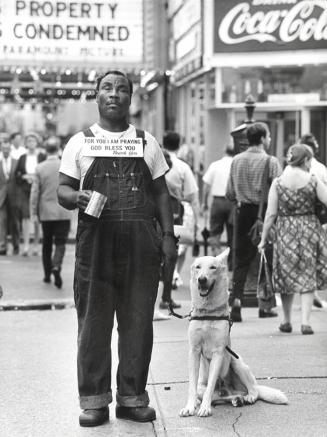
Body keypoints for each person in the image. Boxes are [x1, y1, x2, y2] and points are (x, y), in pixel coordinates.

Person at [57, 70, 177, 427]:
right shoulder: (79, 142)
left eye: (122, 89)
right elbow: (62, 189)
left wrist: (168, 236)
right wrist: (74, 196)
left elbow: (160, 192)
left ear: (131, 99)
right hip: (96, 248)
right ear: (96, 96)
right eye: (107, 88)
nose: (114, 94)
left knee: (138, 323)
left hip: (142, 247)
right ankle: (94, 401)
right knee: (93, 325)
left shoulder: (146, 142)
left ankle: (131, 398)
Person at [258, 144, 327, 335]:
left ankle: (286, 320)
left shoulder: (278, 183)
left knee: (285, 274)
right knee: (307, 274)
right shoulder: (312, 180)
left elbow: (271, 214)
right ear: (304, 160)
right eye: (309, 160)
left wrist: (263, 239)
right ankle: (305, 322)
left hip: (285, 231)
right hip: (309, 229)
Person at [226, 122, 282, 322]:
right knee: (266, 258)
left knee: (240, 260)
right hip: (264, 213)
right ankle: (265, 306)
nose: (270, 139)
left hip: (242, 213)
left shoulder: (236, 160)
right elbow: (279, 191)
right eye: (268, 136)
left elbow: (229, 193)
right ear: (262, 139)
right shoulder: (271, 162)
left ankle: (236, 302)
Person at [160, 131, 199, 307]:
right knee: (172, 253)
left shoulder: (153, 163)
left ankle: (165, 293)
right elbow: (192, 195)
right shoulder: (182, 167)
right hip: (174, 214)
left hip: (152, 216)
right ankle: (166, 295)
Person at [30, 136, 71, 288]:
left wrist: (33, 213)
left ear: (45, 151)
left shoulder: (40, 168)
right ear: (59, 149)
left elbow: (35, 193)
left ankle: (47, 274)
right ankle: (56, 265)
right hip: (63, 210)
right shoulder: (65, 165)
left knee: (46, 243)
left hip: (46, 212)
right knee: (60, 242)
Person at [300, 133, 327, 309]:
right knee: (316, 255)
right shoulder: (322, 169)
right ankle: (312, 292)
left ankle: (309, 293)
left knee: (302, 255)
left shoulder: (293, 170)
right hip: (318, 217)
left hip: (297, 217)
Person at [202, 145, 235, 270]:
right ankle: (231, 264)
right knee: (232, 234)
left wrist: (204, 203)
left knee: (215, 233)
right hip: (233, 202)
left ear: (224, 151)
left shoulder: (215, 165)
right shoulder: (236, 165)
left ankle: (218, 260)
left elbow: (206, 187)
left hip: (217, 202)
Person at [15, 132, 46, 256]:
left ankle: (36, 246)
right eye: (28, 141)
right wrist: (24, 176)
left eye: (33, 141)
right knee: (25, 217)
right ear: (26, 143)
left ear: (37, 142)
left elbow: (45, 172)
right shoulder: (22, 157)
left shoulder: (42, 156)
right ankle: (26, 245)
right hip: (25, 189)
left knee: (37, 217)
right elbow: (16, 174)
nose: (31, 143)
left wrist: (36, 178)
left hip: (38, 190)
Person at [0, 134, 20, 255]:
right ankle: (2, 247)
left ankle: (16, 246)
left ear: (10, 150)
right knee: (1, 222)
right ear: (1, 150)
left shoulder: (17, 162)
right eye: (3, 149)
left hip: (14, 197)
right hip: (1, 198)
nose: (6, 151)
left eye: (8, 149)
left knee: (15, 223)